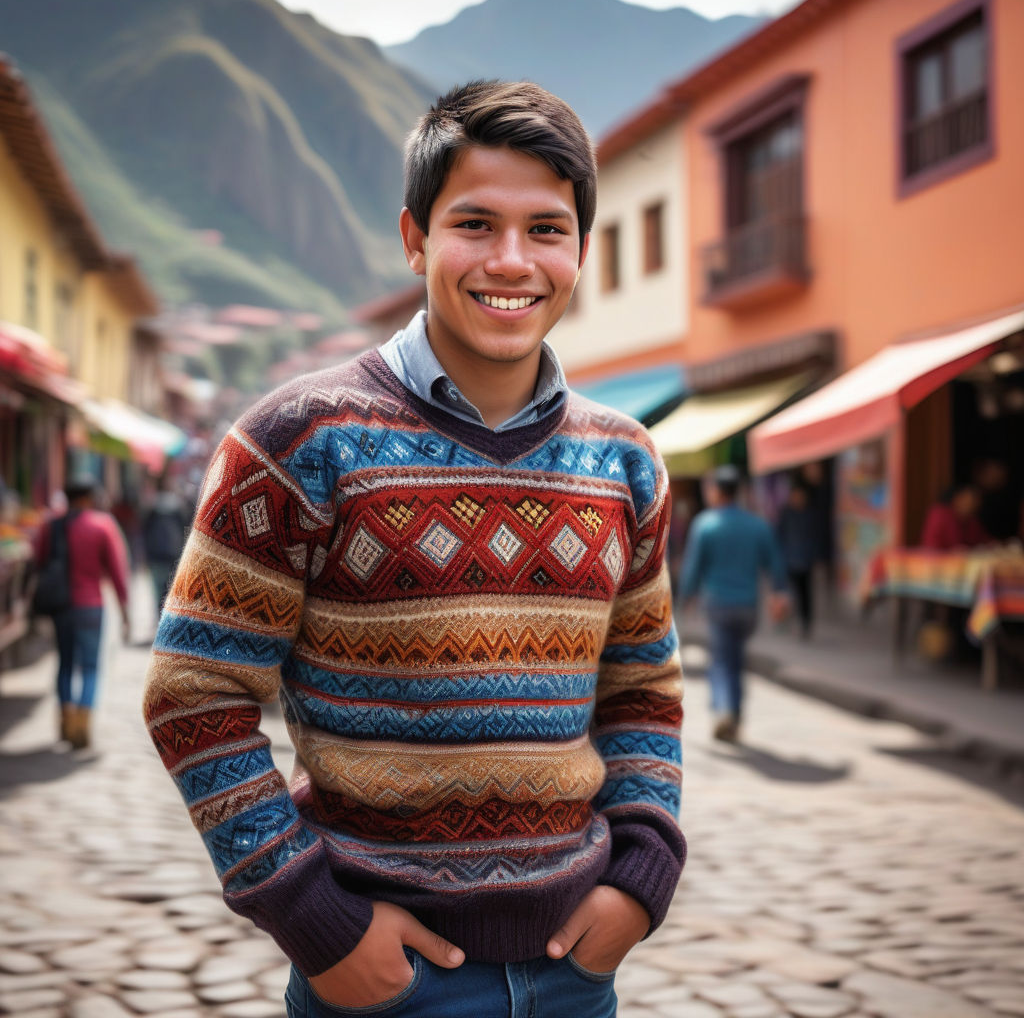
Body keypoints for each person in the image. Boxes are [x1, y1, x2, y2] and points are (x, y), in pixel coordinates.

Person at [144, 80, 684, 1018]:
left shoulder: (626, 461)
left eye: (547, 230)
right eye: (475, 223)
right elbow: (194, 693)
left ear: (583, 252)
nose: (511, 261)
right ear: (415, 239)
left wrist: (641, 876)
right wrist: (315, 921)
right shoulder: (298, 441)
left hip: (576, 977)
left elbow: (641, 687)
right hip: (383, 984)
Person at [678, 465, 787, 743]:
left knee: (722, 661)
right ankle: (735, 714)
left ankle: (725, 709)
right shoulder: (757, 525)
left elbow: (693, 569)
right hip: (748, 607)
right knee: (735, 659)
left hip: (719, 605)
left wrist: (684, 599)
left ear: (716, 491)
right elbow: (775, 565)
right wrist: (779, 593)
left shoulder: (705, 524)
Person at [34, 475, 130, 749]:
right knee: (89, 667)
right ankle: (81, 730)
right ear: (88, 497)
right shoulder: (102, 525)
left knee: (64, 664)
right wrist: (125, 611)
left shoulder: (51, 526)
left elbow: (39, 560)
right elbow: (117, 571)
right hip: (90, 606)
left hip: (61, 606)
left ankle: (65, 725)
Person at [141, 473, 192, 620]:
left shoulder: (151, 506)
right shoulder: (178, 505)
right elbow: (186, 530)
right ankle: (169, 622)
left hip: (155, 555)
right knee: (171, 591)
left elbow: (145, 532)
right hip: (174, 554)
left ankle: (160, 620)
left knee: (158, 590)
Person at [776, 482, 817, 639]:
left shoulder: (810, 514)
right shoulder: (787, 514)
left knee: (805, 593)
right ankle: (787, 620)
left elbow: (815, 537)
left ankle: (806, 622)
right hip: (790, 560)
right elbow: (779, 535)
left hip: (805, 561)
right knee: (789, 593)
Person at [920, 484, 991, 551]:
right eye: (966, 499)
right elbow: (930, 546)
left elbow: (984, 541)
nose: (971, 504)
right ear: (956, 498)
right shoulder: (939, 514)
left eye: (975, 501)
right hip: (937, 560)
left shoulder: (972, 520)